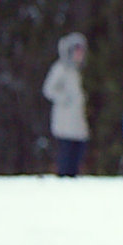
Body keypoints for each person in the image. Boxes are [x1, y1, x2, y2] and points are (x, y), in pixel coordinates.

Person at [42, 32, 89, 177]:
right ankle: (64, 177)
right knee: (66, 152)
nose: (79, 55)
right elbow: (48, 89)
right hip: (65, 120)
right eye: (76, 51)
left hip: (77, 120)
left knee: (77, 150)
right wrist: (64, 99)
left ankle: (72, 176)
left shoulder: (76, 71)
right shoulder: (61, 68)